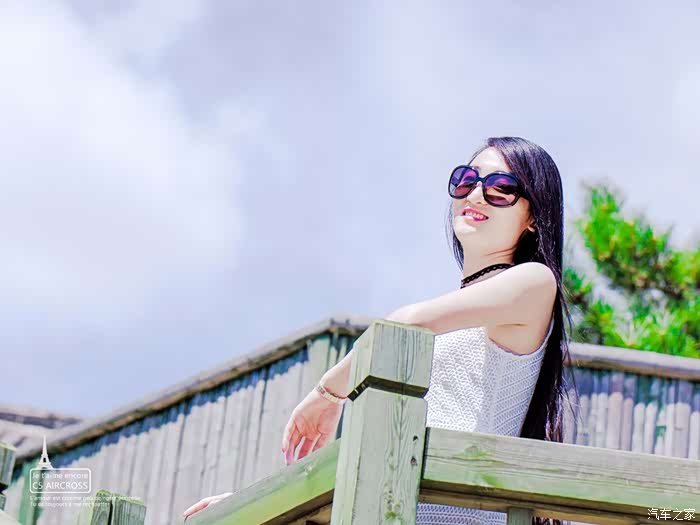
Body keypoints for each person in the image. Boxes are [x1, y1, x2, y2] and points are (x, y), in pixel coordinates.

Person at [182, 136, 576, 525]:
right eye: (466, 180)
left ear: (532, 218)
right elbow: (380, 458)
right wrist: (256, 505)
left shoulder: (535, 283)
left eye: (501, 188)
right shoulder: (457, 320)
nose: (475, 195)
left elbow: (403, 325)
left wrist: (328, 394)